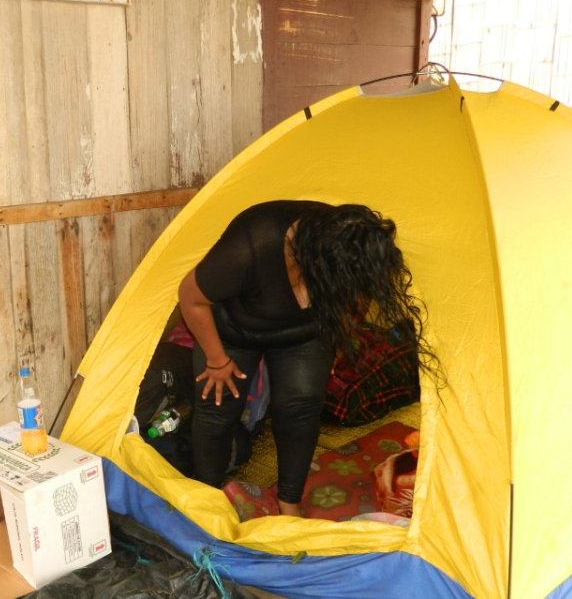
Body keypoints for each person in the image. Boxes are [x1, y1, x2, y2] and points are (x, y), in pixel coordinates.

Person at [177, 200, 432, 517]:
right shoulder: (254, 244)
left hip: (305, 333)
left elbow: (359, 297)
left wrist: (339, 341)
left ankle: (289, 503)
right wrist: (216, 359)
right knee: (217, 410)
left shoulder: (350, 249)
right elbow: (191, 297)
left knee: (300, 408)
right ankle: (206, 502)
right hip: (232, 330)